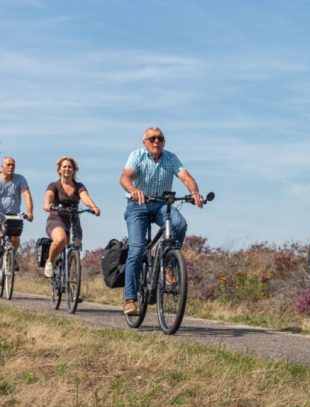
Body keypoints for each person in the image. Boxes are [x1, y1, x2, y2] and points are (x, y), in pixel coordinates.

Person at [119, 127, 203, 315]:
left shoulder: (170, 157)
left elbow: (186, 177)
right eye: (152, 139)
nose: (156, 142)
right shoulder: (137, 156)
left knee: (179, 224)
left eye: (160, 138)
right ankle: (130, 300)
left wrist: (194, 192)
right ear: (145, 142)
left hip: (161, 205)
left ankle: (168, 264)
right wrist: (134, 190)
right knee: (137, 249)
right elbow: (124, 178)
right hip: (137, 205)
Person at [42, 156, 101, 278]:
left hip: (73, 220)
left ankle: (71, 284)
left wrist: (93, 207)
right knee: (61, 240)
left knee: (76, 245)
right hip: (56, 219)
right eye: (64, 167)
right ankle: (50, 261)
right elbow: (49, 195)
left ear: (74, 170)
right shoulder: (54, 185)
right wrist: (47, 204)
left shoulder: (78, 186)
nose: (67, 169)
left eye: (70, 167)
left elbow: (85, 197)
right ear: (59, 169)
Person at [0, 156, 34, 255]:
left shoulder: (20, 179)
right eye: (8, 165)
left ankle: (12, 257)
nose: (11, 167)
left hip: (13, 214)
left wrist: (30, 212)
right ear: (2, 167)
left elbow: (26, 195)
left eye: (13, 165)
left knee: (15, 237)